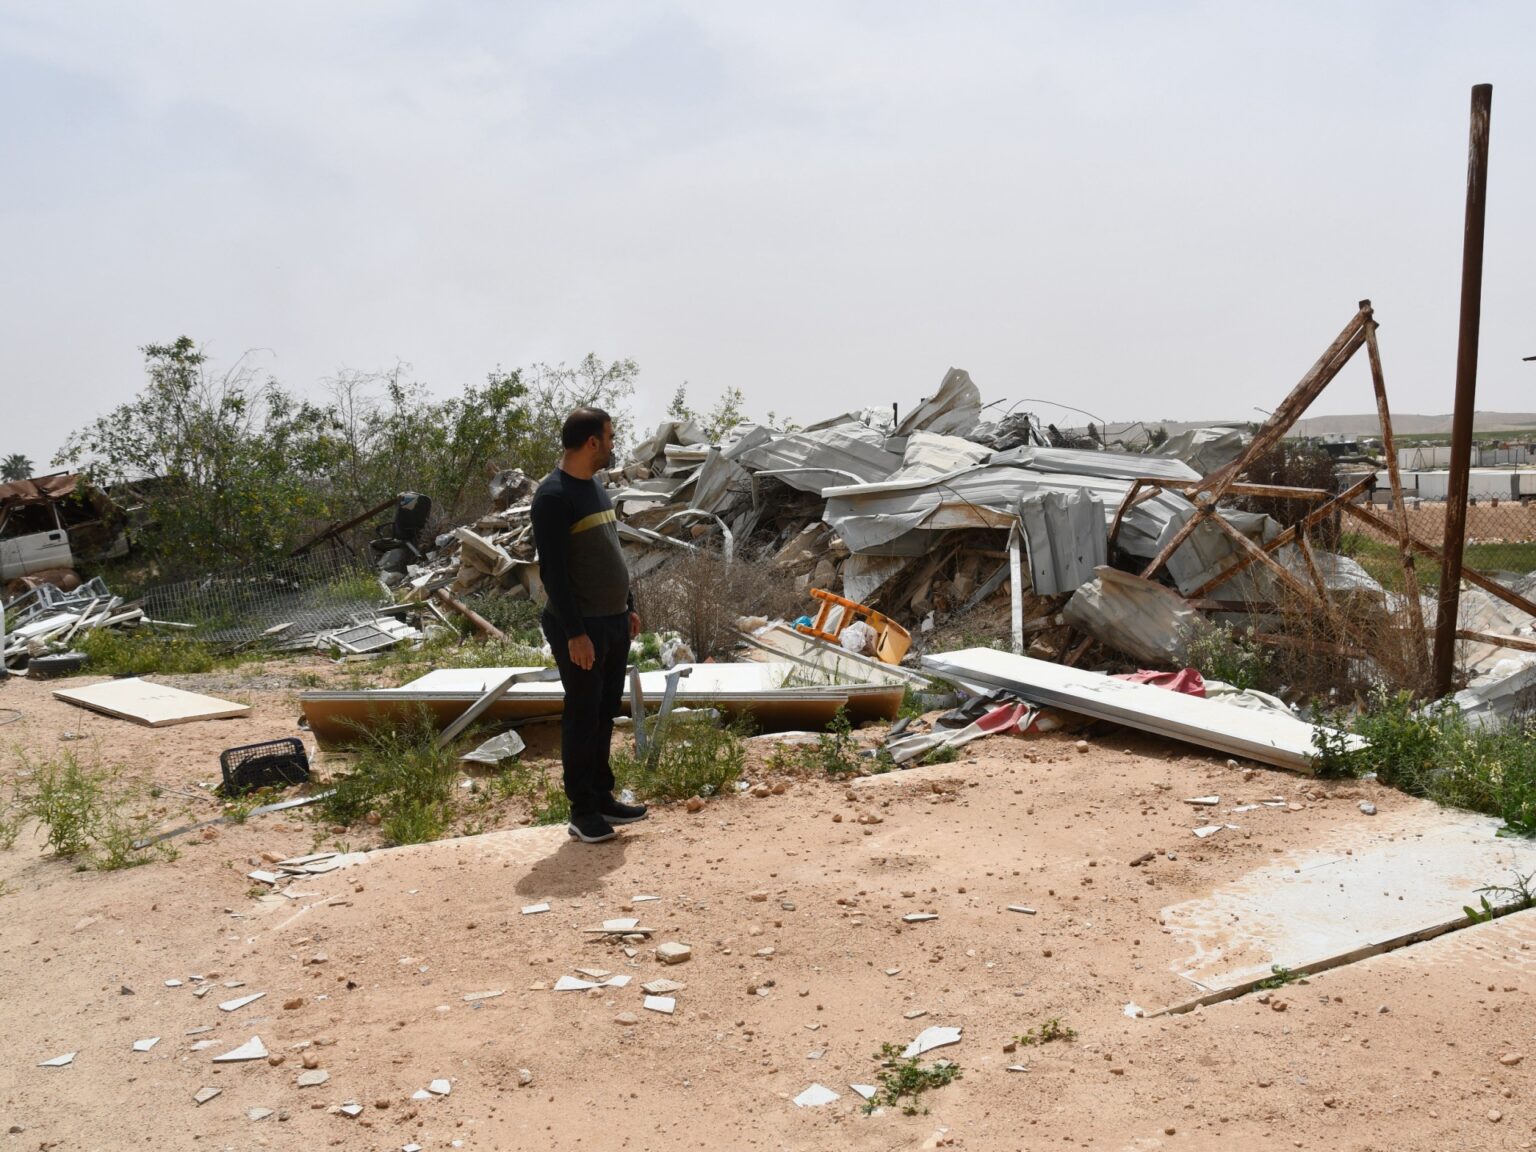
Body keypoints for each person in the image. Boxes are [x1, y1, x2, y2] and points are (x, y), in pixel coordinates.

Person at [530, 407, 647, 843]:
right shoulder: (553, 497)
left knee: (603, 712)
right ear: (592, 442)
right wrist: (576, 632)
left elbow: (608, 549)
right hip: (580, 628)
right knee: (582, 715)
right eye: (610, 437)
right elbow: (554, 574)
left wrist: (627, 604)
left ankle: (602, 797)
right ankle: (582, 810)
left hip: (612, 620)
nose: (614, 445)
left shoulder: (594, 487)